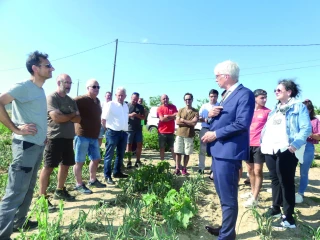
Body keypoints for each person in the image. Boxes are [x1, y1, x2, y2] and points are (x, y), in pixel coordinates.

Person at [0, 51, 54, 238]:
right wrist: (15, 129)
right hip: (25, 146)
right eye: (47, 65)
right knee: (15, 192)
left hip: (36, 145)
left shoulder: (39, 90)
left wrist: (42, 137)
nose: (51, 68)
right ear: (35, 68)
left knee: (29, 187)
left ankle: (19, 222)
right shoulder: (24, 86)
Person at [202, 60, 255, 239]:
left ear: (226, 76)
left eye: (217, 76)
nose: (215, 80)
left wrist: (215, 134)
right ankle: (226, 229)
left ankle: (226, 236)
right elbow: (222, 119)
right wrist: (209, 117)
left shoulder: (244, 94)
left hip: (229, 153)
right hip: (219, 151)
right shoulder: (226, 94)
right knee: (223, 194)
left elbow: (242, 123)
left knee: (229, 196)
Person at [260, 79, 311, 229]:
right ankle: (276, 208)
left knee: (286, 182)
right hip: (271, 149)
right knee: (274, 179)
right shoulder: (275, 109)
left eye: (279, 90)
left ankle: (288, 217)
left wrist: (294, 145)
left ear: (289, 92)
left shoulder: (298, 107)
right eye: (275, 90)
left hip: (286, 150)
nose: (275, 92)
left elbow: (306, 128)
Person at [39, 74, 80, 212]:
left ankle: (59, 190)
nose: (68, 85)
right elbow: (56, 118)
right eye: (66, 82)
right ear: (58, 82)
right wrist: (71, 115)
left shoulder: (71, 100)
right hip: (54, 138)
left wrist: (66, 116)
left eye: (70, 83)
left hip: (68, 138)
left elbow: (78, 119)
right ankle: (42, 197)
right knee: (48, 167)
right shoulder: (52, 98)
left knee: (66, 165)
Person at [73, 79, 106, 194]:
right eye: (94, 87)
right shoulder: (81, 99)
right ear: (88, 88)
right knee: (79, 161)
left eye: (98, 87)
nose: (96, 89)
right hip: (82, 135)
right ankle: (79, 184)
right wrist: (75, 115)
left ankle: (92, 180)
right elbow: (70, 102)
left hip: (94, 136)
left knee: (96, 159)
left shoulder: (97, 101)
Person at [240, 89, 270, 208]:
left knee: (258, 171)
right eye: (262, 97)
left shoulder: (268, 112)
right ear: (255, 98)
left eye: (265, 97)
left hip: (259, 145)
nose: (265, 100)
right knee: (250, 170)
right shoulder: (248, 111)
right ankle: (253, 193)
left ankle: (255, 198)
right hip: (247, 144)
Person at [102, 87, 129, 185]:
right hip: (112, 133)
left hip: (123, 133)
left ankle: (117, 172)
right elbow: (103, 119)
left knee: (120, 154)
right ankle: (107, 176)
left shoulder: (126, 105)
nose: (120, 97)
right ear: (115, 95)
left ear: (125, 96)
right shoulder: (110, 104)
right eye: (119, 95)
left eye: (122, 95)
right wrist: (107, 130)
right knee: (109, 155)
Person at [295, 99, 320, 203]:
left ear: (310, 110)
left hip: (308, 147)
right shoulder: (295, 119)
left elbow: (318, 137)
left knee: (303, 172)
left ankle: (301, 193)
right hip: (295, 146)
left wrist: (308, 133)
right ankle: (287, 191)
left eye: (305, 109)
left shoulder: (314, 121)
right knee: (289, 170)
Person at [174, 93, 199, 175]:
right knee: (178, 152)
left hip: (189, 135)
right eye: (186, 99)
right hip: (179, 134)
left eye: (189, 99)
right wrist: (189, 122)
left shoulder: (195, 112)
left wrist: (183, 120)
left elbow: (193, 124)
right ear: (184, 100)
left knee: (187, 153)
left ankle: (184, 168)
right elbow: (177, 122)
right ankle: (177, 168)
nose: (187, 101)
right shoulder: (181, 110)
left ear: (192, 100)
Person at [198, 89, 219, 174]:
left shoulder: (220, 105)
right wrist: (205, 119)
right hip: (205, 129)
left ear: (217, 97)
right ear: (209, 97)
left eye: (214, 96)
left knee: (215, 150)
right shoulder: (204, 106)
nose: (213, 98)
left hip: (215, 130)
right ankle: (201, 168)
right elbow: (199, 117)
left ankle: (213, 169)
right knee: (202, 149)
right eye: (211, 96)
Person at [126, 92, 145, 168]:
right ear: (131, 98)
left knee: (139, 144)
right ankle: (128, 161)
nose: (135, 101)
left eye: (136, 99)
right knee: (129, 145)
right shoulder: (126, 106)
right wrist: (130, 115)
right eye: (134, 99)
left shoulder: (141, 107)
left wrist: (137, 115)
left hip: (138, 129)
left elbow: (143, 118)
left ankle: (137, 161)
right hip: (129, 128)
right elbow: (122, 115)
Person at [157, 94, 178, 161]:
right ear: (161, 100)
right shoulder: (160, 108)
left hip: (171, 131)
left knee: (173, 148)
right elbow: (162, 119)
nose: (165, 100)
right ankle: (162, 162)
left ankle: (176, 164)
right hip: (162, 132)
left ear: (168, 99)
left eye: (166, 98)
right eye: (163, 99)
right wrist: (172, 117)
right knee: (162, 148)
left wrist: (167, 116)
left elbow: (176, 115)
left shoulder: (173, 107)